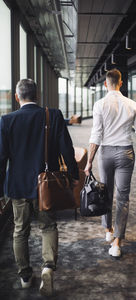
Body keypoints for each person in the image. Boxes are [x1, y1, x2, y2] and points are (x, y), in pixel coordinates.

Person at [0, 79, 79, 296]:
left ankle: (25, 276)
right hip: (46, 186)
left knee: (19, 231)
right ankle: (48, 267)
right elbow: (67, 149)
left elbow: (1, 158)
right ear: (37, 94)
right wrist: (73, 176)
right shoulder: (52, 115)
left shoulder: (6, 121)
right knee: (48, 226)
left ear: (17, 97)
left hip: (17, 186)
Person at [85, 69, 136, 258]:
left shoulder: (100, 104)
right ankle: (117, 242)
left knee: (105, 192)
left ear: (106, 84)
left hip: (105, 153)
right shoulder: (132, 104)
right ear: (121, 83)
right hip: (125, 152)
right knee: (123, 198)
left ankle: (108, 230)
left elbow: (96, 135)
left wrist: (89, 162)